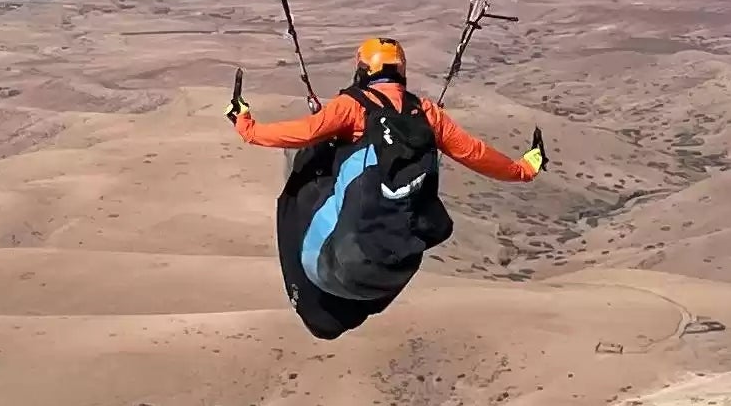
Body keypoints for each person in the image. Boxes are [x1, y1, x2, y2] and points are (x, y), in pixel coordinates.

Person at [230, 37, 545, 340]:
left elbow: (300, 133)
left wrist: (245, 124)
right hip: (398, 269)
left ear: (363, 70)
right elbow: (476, 154)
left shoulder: (351, 106)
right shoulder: (428, 114)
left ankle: (319, 311)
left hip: (335, 264)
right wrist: (525, 168)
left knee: (301, 182)